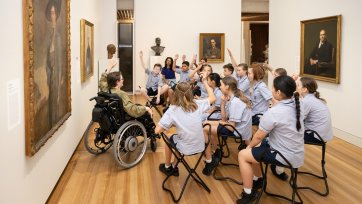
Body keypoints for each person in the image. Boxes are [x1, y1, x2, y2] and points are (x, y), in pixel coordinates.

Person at [236, 76, 304, 203]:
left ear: (278, 92)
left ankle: (248, 193)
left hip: (284, 156)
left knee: (243, 154)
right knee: (258, 145)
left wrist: (248, 147)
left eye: (272, 87)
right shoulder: (298, 105)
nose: (270, 90)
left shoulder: (274, 112)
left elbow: (258, 136)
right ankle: (258, 179)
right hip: (297, 153)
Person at [155, 75, 216, 176]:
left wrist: (173, 125)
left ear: (175, 94)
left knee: (170, 139)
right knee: (180, 138)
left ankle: (167, 167)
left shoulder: (173, 109)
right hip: (200, 145)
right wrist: (204, 81)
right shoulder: (198, 103)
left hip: (185, 147)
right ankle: (174, 166)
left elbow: (157, 131)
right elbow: (213, 98)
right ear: (190, 92)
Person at [203, 76, 253, 176]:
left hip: (237, 131)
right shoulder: (232, 99)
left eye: (221, 85)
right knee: (205, 123)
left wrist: (222, 123)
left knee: (205, 128)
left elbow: (230, 127)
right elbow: (224, 119)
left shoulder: (235, 102)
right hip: (234, 127)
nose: (220, 87)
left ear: (227, 87)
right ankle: (216, 152)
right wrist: (222, 104)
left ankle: (211, 159)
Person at [43, 0, 68, 129]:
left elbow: (59, 61)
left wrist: (58, 77)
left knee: (56, 102)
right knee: (50, 104)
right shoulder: (49, 36)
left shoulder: (58, 37)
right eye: (51, 13)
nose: (53, 16)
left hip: (56, 78)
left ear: (57, 15)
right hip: (50, 77)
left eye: (54, 13)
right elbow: (47, 60)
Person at [296, 77, 333, 142]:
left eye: (298, 85)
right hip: (324, 135)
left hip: (316, 136)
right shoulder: (313, 98)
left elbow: (297, 119)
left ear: (304, 89)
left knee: (285, 133)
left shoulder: (307, 101)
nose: (296, 87)